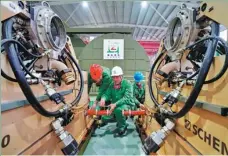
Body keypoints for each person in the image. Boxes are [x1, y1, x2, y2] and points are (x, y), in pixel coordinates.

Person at [98, 66, 135, 136]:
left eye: (117, 77)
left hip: (126, 104)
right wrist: (103, 98)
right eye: (113, 77)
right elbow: (107, 94)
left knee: (118, 110)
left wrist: (115, 104)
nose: (115, 79)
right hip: (114, 105)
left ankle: (122, 127)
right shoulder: (112, 84)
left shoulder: (127, 84)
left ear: (121, 76)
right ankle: (117, 118)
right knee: (105, 117)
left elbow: (127, 98)